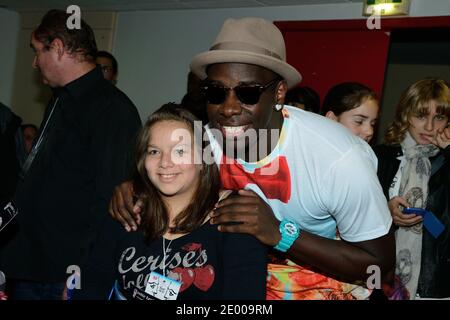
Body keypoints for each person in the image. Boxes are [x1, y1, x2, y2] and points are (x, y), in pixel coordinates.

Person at [110, 17, 395, 300]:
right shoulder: (206, 142)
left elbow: (378, 267)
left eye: (248, 93)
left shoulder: (337, 159)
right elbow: (165, 173)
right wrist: (133, 187)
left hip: (322, 284)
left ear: (279, 91)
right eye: (216, 92)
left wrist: (281, 234)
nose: (229, 109)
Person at [0, 9, 141, 300]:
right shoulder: (60, 99)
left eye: (38, 52)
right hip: (29, 262)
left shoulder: (112, 108)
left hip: (62, 273)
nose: (35, 63)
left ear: (59, 48)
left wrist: (83, 273)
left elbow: (110, 200)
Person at [73, 104, 267, 300]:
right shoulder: (128, 210)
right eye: (154, 152)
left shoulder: (235, 219)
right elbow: (91, 279)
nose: (165, 163)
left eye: (180, 151)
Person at [373, 78, 450, 299]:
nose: (429, 127)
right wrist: (385, 211)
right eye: (421, 116)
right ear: (406, 115)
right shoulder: (380, 157)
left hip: (436, 285)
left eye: (439, 117)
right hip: (380, 279)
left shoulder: (447, 162)